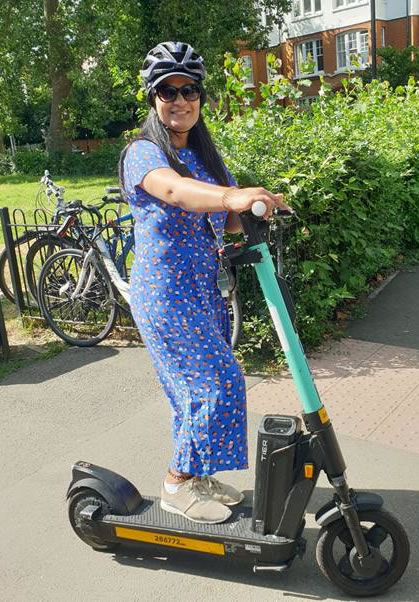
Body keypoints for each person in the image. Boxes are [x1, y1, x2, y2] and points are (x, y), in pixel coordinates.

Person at [119, 41, 289, 525]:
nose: (179, 99)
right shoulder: (143, 152)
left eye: (188, 89)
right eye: (167, 90)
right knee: (216, 384)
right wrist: (232, 196)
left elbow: (224, 218)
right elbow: (176, 193)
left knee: (196, 388)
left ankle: (198, 475)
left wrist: (258, 207)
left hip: (203, 291)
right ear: (153, 98)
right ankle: (177, 482)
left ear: (200, 96)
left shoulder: (202, 156)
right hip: (165, 293)